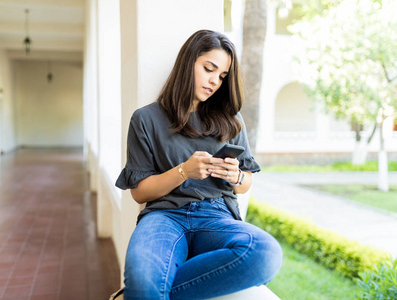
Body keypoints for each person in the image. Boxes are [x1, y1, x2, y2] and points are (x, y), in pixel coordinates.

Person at [113, 29, 282, 300]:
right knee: (143, 279)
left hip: (216, 215)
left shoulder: (231, 120)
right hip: (164, 216)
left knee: (265, 253)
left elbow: (246, 181)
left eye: (222, 76)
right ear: (188, 62)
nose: (214, 81)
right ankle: (140, 291)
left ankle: (136, 295)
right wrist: (183, 172)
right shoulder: (145, 119)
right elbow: (140, 193)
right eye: (208, 69)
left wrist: (236, 176)